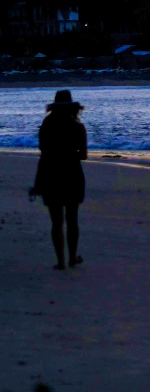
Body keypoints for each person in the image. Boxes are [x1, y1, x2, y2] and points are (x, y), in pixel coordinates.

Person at [31, 90, 88, 270]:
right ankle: (72, 257)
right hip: (72, 173)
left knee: (56, 221)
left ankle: (60, 261)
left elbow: (42, 149)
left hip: (50, 173)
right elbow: (84, 155)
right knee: (72, 219)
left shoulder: (47, 124)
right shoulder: (77, 126)